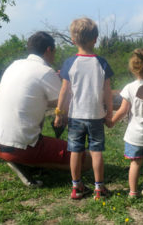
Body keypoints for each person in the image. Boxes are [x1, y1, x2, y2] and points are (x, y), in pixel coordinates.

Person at [0, 31, 91, 187]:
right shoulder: (45, 71)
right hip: (20, 147)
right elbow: (65, 103)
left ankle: (23, 161)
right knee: (87, 159)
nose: (54, 55)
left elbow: (34, 98)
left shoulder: (14, 65)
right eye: (54, 51)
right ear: (48, 50)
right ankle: (28, 164)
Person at [54, 17, 114, 200]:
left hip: (75, 116)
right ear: (95, 39)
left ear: (73, 40)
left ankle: (76, 187)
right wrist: (109, 113)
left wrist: (59, 113)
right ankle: (99, 188)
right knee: (96, 152)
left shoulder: (69, 63)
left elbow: (64, 91)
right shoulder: (102, 63)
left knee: (75, 151)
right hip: (96, 116)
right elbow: (107, 92)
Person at [107, 48, 143, 199]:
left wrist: (111, 122)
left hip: (134, 136)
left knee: (135, 163)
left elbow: (122, 111)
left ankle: (133, 192)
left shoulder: (129, 88)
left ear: (133, 68)